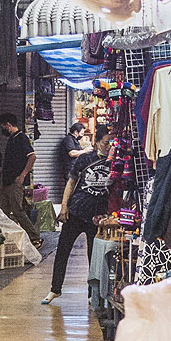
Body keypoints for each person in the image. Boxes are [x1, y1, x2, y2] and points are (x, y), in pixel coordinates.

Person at [43, 125, 113, 304]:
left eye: (111, 143)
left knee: (93, 255)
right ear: (97, 143)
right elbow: (71, 182)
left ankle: (92, 294)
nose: (108, 146)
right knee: (63, 251)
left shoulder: (115, 162)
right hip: (76, 211)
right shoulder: (85, 159)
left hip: (97, 217)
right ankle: (55, 289)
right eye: (105, 143)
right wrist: (64, 207)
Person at [0, 112, 42, 246]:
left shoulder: (21, 138)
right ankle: (3, 238)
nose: (2, 130)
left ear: (8, 125)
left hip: (15, 182)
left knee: (17, 210)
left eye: (2, 126)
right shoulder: (12, 138)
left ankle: (35, 238)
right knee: (3, 210)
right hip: (7, 182)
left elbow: (32, 156)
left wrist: (22, 176)